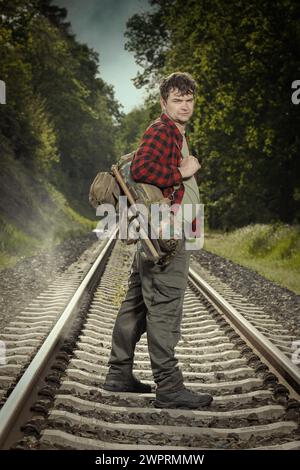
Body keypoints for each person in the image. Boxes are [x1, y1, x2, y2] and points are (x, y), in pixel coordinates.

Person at [103, 72, 213, 409]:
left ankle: (119, 373)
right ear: (163, 102)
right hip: (166, 234)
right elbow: (143, 168)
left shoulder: (172, 130)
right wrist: (183, 172)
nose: (184, 105)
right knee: (165, 307)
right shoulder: (163, 129)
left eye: (188, 99)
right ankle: (169, 386)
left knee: (135, 303)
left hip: (160, 230)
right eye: (177, 99)